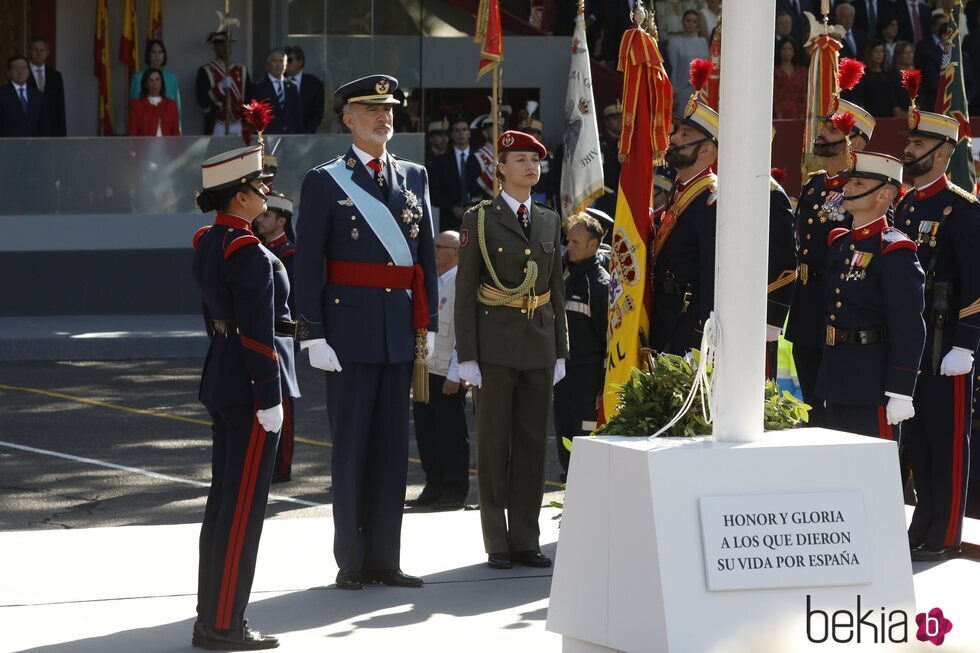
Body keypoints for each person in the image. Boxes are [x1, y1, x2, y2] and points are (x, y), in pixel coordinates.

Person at [294, 74, 437, 590]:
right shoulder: (325, 180)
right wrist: (311, 333)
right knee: (351, 448)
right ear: (348, 119)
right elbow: (307, 263)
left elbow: (422, 262)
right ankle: (351, 560)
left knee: (391, 451)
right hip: (347, 333)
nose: (385, 118)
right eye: (372, 110)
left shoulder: (415, 176)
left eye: (390, 109)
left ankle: (385, 557)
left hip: (398, 332)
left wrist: (431, 325)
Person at [190, 144, 298, 650]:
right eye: (259, 188)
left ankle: (209, 613)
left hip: (222, 374)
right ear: (240, 195)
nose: (267, 193)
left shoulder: (211, 240)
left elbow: (219, 319)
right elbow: (257, 332)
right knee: (242, 509)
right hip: (250, 386)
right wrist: (270, 396)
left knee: (222, 501)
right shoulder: (247, 250)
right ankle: (226, 623)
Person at [455, 130, 568, 570]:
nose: (529, 167)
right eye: (519, 160)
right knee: (493, 445)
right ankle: (497, 542)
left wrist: (560, 349)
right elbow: (466, 292)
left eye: (534, 160)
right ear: (500, 168)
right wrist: (467, 355)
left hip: (538, 344)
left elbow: (555, 288)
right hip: (495, 347)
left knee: (531, 446)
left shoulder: (548, 219)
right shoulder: (478, 219)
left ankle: (526, 538)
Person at [893, 104, 980, 561]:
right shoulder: (906, 204)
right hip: (914, 343)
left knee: (946, 441)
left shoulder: (962, 210)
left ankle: (945, 532)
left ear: (945, 152)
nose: (910, 150)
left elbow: (977, 281)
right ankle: (921, 520)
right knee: (920, 438)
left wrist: (966, 344)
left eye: (920, 145)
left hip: (948, 343)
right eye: (910, 143)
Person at [816, 150, 925, 445]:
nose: (846, 189)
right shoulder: (840, 243)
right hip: (839, 377)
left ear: (884, 195)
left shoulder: (894, 250)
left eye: (859, 184)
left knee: (877, 477)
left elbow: (909, 327)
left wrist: (900, 390)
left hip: (873, 382)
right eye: (849, 183)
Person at [785, 96, 876, 427]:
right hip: (808, 300)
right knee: (810, 399)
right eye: (823, 126)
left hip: (839, 304)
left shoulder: (866, 190)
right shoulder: (814, 185)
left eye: (831, 128)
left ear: (856, 141)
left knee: (836, 403)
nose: (821, 133)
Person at [649, 89, 719, 355]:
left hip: (688, 321)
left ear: (706, 149)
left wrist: (702, 334)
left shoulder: (710, 200)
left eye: (685, 135)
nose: (674, 138)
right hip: (667, 313)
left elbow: (711, 271)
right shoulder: (681, 191)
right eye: (677, 131)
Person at [409, 230, 470, 511]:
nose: (432, 250)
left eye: (438, 246)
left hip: (446, 370)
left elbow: (464, 333)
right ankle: (434, 484)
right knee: (426, 431)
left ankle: (454, 490)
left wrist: (456, 373)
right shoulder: (431, 280)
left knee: (450, 434)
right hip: (425, 367)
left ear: (455, 252)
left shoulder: (462, 282)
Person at [554, 213, 608, 474]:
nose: (569, 247)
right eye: (568, 241)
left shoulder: (599, 285)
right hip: (563, 376)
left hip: (588, 379)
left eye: (576, 242)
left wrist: (603, 385)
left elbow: (608, 341)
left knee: (585, 443)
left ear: (593, 245)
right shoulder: (565, 279)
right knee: (564, 439)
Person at [253, 192, 299, 484]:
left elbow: (291, 302)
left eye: (267, 215)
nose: (261, 218)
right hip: (260, 332)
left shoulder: (289, 254)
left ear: (282, 220)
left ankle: (281, 464)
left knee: (281, 400)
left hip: (280, 336)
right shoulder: (259, 248)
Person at [431, 116, 482, 232]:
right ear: (452, 135)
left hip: (477, 216)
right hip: (450, 218)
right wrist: (453, 208)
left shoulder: (480, 157)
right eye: (457, 130)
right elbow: (434, 191)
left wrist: (474, 206)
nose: (461, 133)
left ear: (469, 133)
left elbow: (487, 189)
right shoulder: (441, 160)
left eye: (464, 130)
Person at [195, 31, 249, 135]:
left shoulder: (242, 71)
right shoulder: (205, 71)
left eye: (228, 45)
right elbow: (201, 101)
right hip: (217, 122)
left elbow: (249, 98)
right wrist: (219, 88)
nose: (226, 49)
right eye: (221, 46)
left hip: (238, 121)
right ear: (214, 48)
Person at [129, 39, 181, 130]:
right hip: (145, 131)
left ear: (164, 55)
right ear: (148, 55)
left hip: (167, 131)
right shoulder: (138, 78)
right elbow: (133, 111)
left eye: (160, 52)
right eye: (153, 52)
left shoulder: (172, 78)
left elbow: (177, 111)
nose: (157, 55)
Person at [248, 49, 302, 135]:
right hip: (268, 137)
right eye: (275, 61)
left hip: (290, 137)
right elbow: (254, 117)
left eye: (281, 61)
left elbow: (297, 115)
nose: (278, 64)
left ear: (286, 64)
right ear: (268, 65)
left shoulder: (292, 87)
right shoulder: (259, 87)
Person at [667, 11, 710, 116]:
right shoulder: (674, 42)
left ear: (698, 24)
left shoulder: (703, 42)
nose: (691, 24)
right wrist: (673, 94)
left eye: (694, 21)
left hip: (701, 92)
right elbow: (673, 69)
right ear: (683, 22)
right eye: (688, 20)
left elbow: (708, 66)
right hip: (681, 91)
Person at [0, 55, 48, 137]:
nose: (20, 71)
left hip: (34, 146)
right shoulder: (2, 94)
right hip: (9, 146)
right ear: (8, 73)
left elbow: (44, 124)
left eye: (23, 68)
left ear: (29, 72)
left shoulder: (37, 95)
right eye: (16, 68)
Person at [25, 36, 65, 136]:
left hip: (51, 130)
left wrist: (62, 136)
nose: (39, 53)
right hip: (28, 131)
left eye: (42, 50)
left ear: (47, 52)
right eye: (35, 50)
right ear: (29, 51)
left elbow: (60, 107)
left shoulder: (56, 76)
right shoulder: (21, 73)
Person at [283, 45, 325, 134]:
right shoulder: (278, 82)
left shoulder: (314, 83)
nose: (285, 63)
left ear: (300, 62)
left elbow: (317, 113)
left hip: (305, 136)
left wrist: (306, 133)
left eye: (289, 60)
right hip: (280, 136)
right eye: (284, 60)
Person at [128, 68, 180, 136]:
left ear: (162, 83)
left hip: (167, 145)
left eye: (157, 80)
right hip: (144, 145)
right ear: (146, 84)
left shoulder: (171, 104)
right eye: (151, 80)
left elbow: (175, 131)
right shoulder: (137, 104)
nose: (155, 83)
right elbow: (133, 131)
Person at [521, 117, 559, 210]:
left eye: (535, 133)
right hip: (521, 197)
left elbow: (552, 181)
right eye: (528, 132)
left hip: (542, 199)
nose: (532, 136)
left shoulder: (547, 157)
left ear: (540, 137)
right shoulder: (516, 156)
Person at [594, 100, 623, 217]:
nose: (620, 121)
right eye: (615, 118)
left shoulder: (630, 144)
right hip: (604, 196)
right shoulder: (598, 144)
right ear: (606, 122)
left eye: (622, 117)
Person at [773, 36, 808, 119]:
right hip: (777, 114)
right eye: (783, 49)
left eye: (789, 49)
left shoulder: (802, 71)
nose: (786, 52)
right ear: (779, 51)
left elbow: (804, 95)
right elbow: (774, 96)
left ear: (794, 51)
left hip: (799, 114)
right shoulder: (774, 71)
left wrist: (803, 114)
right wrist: (778, 115)